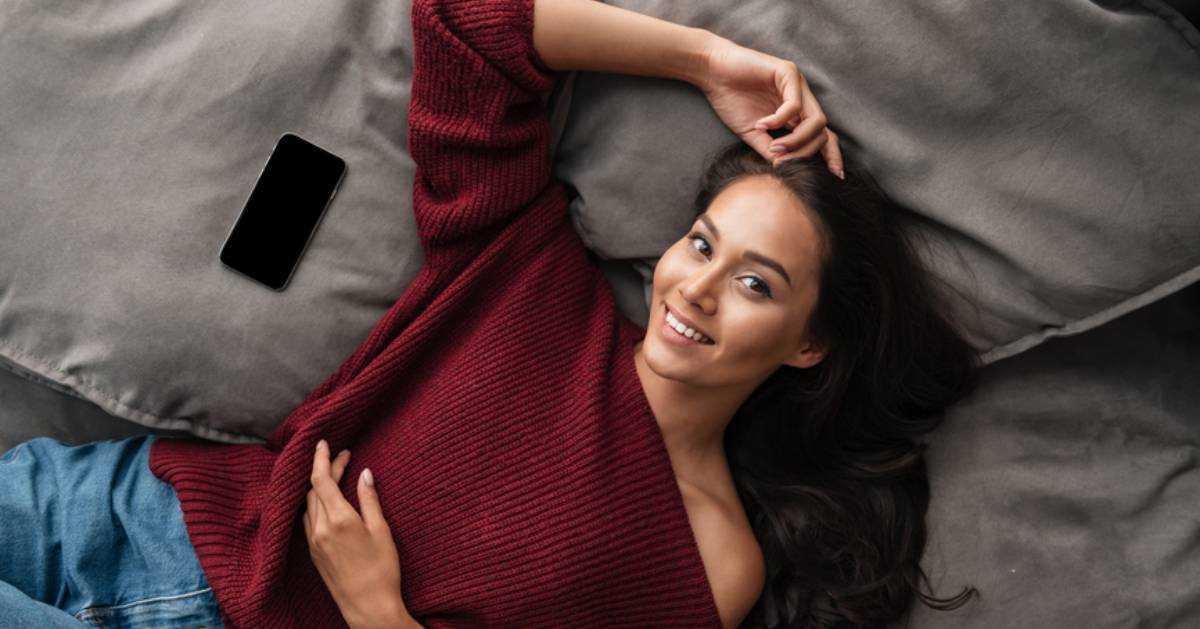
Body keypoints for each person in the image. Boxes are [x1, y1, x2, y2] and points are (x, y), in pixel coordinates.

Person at [0, 0, 981, 627]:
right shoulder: (528, 277)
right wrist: (704, 59)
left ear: (810, 340)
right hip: (141, 512)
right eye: (702, 242)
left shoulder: (712, 561)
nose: (696, 287)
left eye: (757, 282)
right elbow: (470, 24)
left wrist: (379, 612)